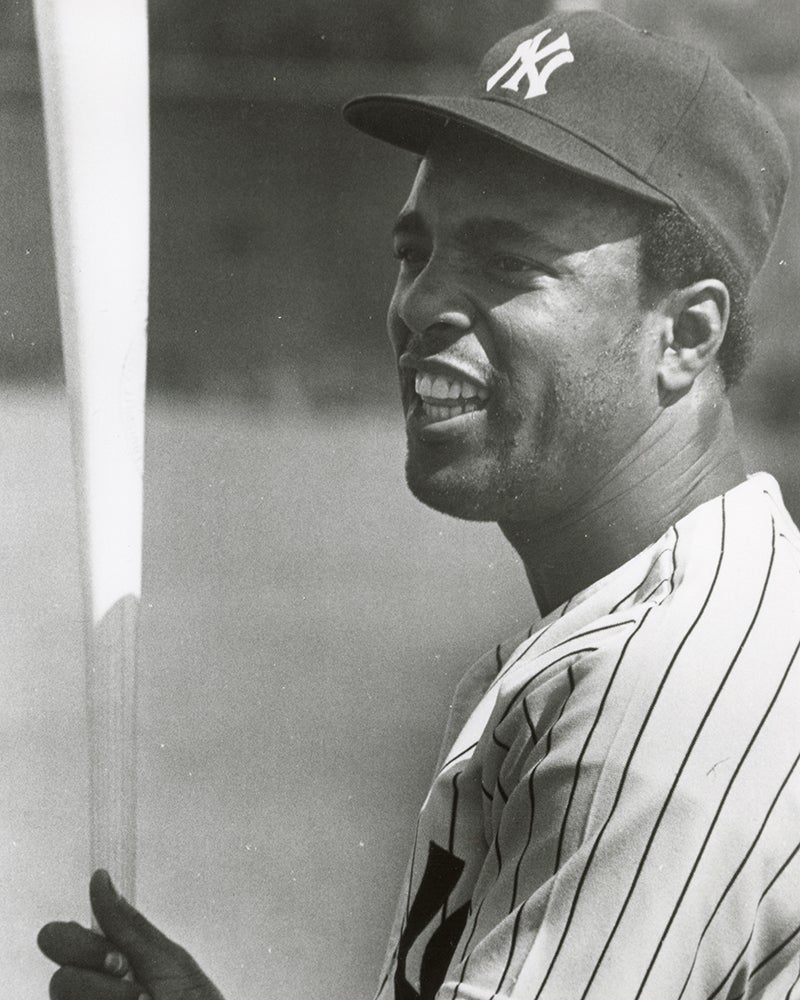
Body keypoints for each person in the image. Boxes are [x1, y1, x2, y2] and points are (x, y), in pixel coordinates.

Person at [38, 9, 800, 1000]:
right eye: (415, 250)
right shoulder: (675, 627)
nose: (422, 303)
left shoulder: (668, 698)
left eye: (505, 261)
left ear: (685, 333)